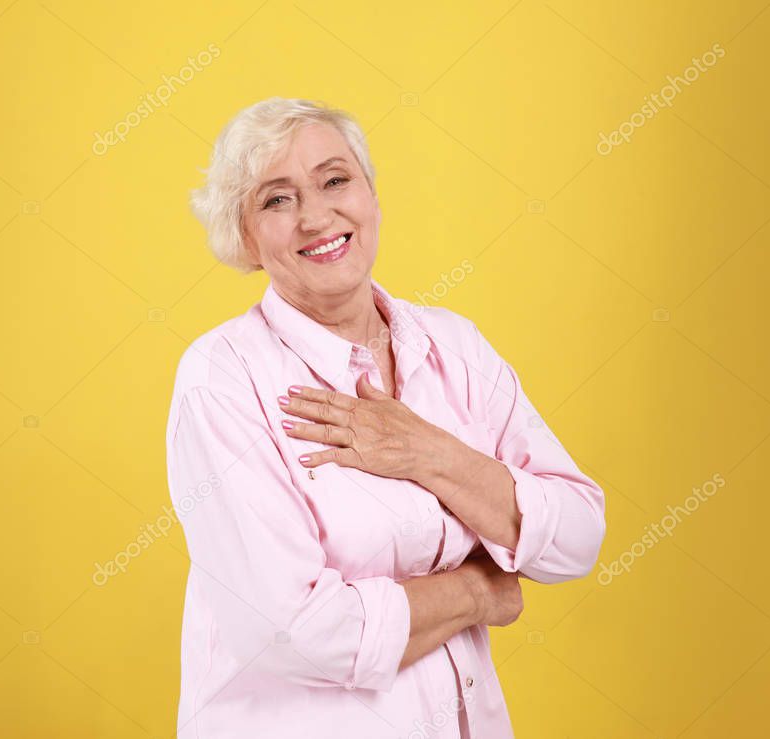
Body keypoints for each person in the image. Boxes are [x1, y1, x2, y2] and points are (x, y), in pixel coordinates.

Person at [165, 96, 606, 738]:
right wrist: (479, 592)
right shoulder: (223, 378)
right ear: (247, 237)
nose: (317, 216)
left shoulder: (456, 346)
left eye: (335, 180)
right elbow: (296, 633)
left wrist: (430, 454)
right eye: (277, 200)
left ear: (370, 196)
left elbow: (577, 538)